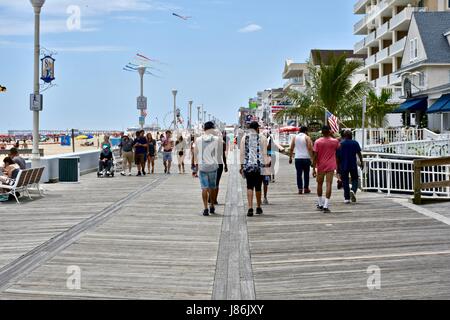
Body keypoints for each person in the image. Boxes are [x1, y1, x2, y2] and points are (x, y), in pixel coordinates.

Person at [240, 121, 269, 217]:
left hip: (248, 166)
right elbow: (265, 153)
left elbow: (242, 154)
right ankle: (258, 207)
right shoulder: (263, 138)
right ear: (257, 128)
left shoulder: (244, 138)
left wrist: (241, 166)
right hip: (259, 166)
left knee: (249, 186)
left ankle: (250, 208)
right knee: (258, 186)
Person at [194, 122, 222, 216]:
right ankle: (212, 205)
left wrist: (195, 166)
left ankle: (205, 208)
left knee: (204, 188)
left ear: (204, 129)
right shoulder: (216, 139)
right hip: (213, 166)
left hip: (202, 166)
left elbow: (195, 153)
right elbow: (219, 152)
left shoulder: (198, 139)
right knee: (212, 187)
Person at [312, 126, 340, 213]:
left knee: (319, 184)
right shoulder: (335, 141)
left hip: (320, 165)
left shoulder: (317, 141)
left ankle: (320, 204)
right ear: (329, 131)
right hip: (331, 165)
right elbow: (338, 149)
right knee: (329, 184)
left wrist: (313, 168)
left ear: (321, 132)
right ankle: (326, 205)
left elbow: (315, 156)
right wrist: (333, 135)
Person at [337, 130, 364, 204]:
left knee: (345, 181)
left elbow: (338, 157)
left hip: (343, 165)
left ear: (344, 136)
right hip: (352, 164)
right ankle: (353, 190)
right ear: (351, 135)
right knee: (355, 179)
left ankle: (347, 198)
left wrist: (338, 168)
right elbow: (359, 153)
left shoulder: (340, 144)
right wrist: (362, 162)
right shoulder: (355, 143)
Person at [289, 126, 314, 195]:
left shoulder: (295, 137)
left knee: (298, 174)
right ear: (306, 131)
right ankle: (306, 188)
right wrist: (312, 158)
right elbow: (309, 148)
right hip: (306, 158)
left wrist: (290, 157)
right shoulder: (307, 137)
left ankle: (300, 189)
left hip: (298, 158)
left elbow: (291, 148)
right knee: (306, 174)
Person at [214, 131, 228, 205]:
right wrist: (226, 165)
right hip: (219, 164)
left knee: (210, 182)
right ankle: (214, 199)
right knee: (216, 183)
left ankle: (210, 198)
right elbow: (223, 155)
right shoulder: (222, 143)